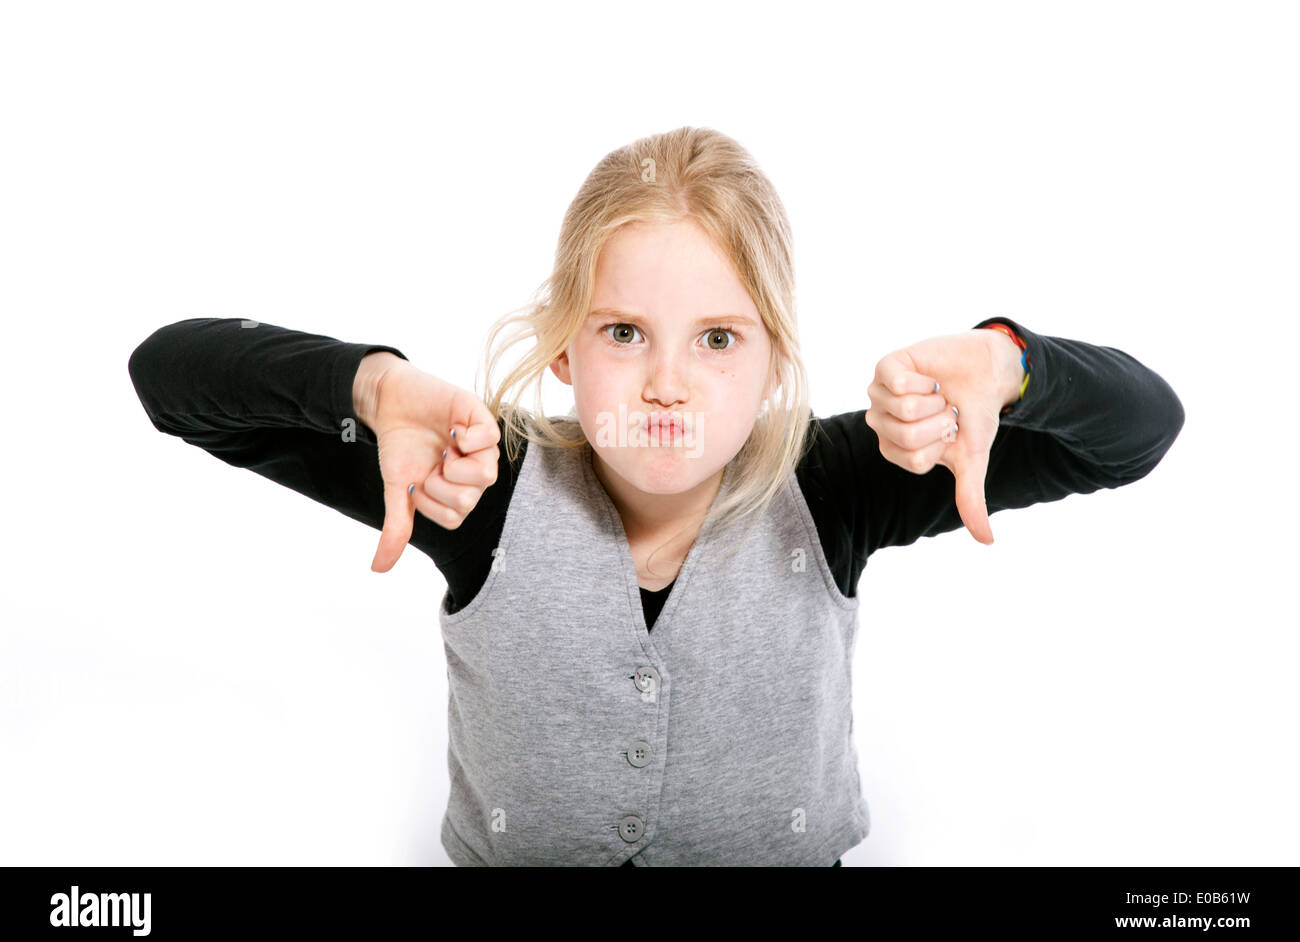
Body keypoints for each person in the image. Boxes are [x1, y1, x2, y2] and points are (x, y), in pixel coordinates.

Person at [128, 126, 1184, 866]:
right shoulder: (471, 476)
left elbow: (1143, 430)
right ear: (562, 348)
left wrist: (1015, 362)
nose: (668, 383)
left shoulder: (833, 482)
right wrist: (367, 385)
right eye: (624, 331)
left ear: (773, 361)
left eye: (717, 339)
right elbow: (172, 378)